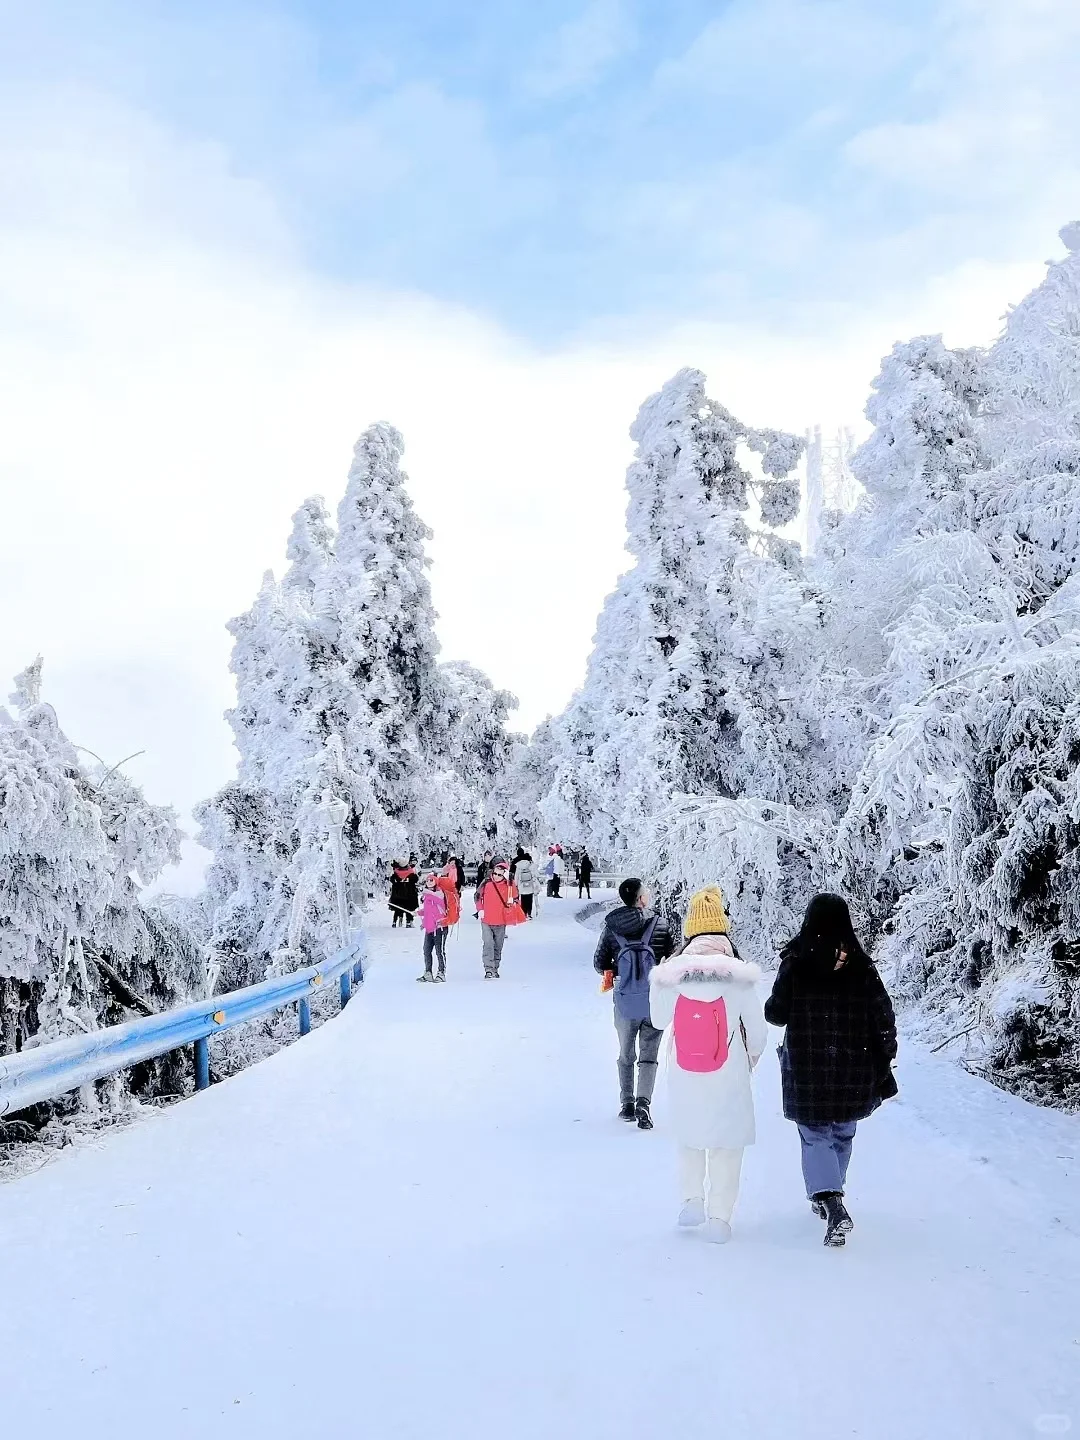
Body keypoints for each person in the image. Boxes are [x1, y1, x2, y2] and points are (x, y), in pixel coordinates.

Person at [764, 893, 898, 1247]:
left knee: (815, 1134)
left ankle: (831, 1200)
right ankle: (831, 1194)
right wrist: (886, 1055)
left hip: (808, 1064)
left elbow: (776, 1014)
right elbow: (883, 1015)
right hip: (854, 1063)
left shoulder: (795, 962)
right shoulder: (861, 966)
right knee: (842, 1132)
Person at [648, 886, 767, 1244]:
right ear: (723, 929)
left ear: (690, 930)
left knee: (689, 1138)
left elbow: (657, 1020)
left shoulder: (672, 974)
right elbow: (759, 1034)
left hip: (685, 1071)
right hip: (728, 1073)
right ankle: (720, 1219)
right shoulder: (740, 977)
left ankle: (691, 1201)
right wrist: (749, 1061)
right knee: (726, 1146)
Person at [593, 876, 675, 1129]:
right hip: (654, 1001)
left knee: (626, 1054)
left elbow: (599, 963)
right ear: (641, 899)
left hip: (626, 1002)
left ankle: (626, 1104)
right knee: (649, 1056)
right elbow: (671, 960)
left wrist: (617, 970)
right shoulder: (660, 924)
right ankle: (644, 1102)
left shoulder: (612, 928)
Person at [475, 857, 525, 978]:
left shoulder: (508, 885)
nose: (496, 876)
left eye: (499, 874)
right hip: (486, 919)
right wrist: (480, 909)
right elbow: (477, 896)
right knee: (488, 944)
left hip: (501, 920)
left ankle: (495, 968)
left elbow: (515, 896)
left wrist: (510, 881)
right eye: (495, 873)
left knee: (498, 946)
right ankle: (488, 969)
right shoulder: (486, 883)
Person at [416, 873, 449, 982]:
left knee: (439, 951)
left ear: (436, 881)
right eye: (427, 880)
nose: (429, 882)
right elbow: (428, 911)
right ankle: (428, 972)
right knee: (426, 950)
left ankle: (441, 972)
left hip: (440, 927)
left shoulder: (439, 894)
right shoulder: (427, 896)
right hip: (430, 927)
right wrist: (419, 913)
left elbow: (438, 906)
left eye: (431, 880)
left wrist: (425, 893)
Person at [389, 860, 419, 928]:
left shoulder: (396, 873)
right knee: (409, 908)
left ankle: (395, 921)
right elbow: (416, 879)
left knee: (398, 908)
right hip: (409, 894)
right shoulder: (411, 873)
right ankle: (408, 922)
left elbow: (392, 880)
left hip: (398, 895)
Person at [515, 851, 536, 918]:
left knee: (523, 900)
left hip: (522, 886)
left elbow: (516, 876)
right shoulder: (531, 865)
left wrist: (516, 885)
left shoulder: (518, 865)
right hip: (530, 885)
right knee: (529, 900)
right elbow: (535, 875)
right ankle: (529, 913)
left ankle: (524, 913)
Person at [474, 850, 493, 917]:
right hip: (483, 885)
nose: (487, 858)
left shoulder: (494, 866)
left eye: (489, 856)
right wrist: (478, 888)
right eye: (486, 856)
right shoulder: (481, 867)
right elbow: (479, 878)